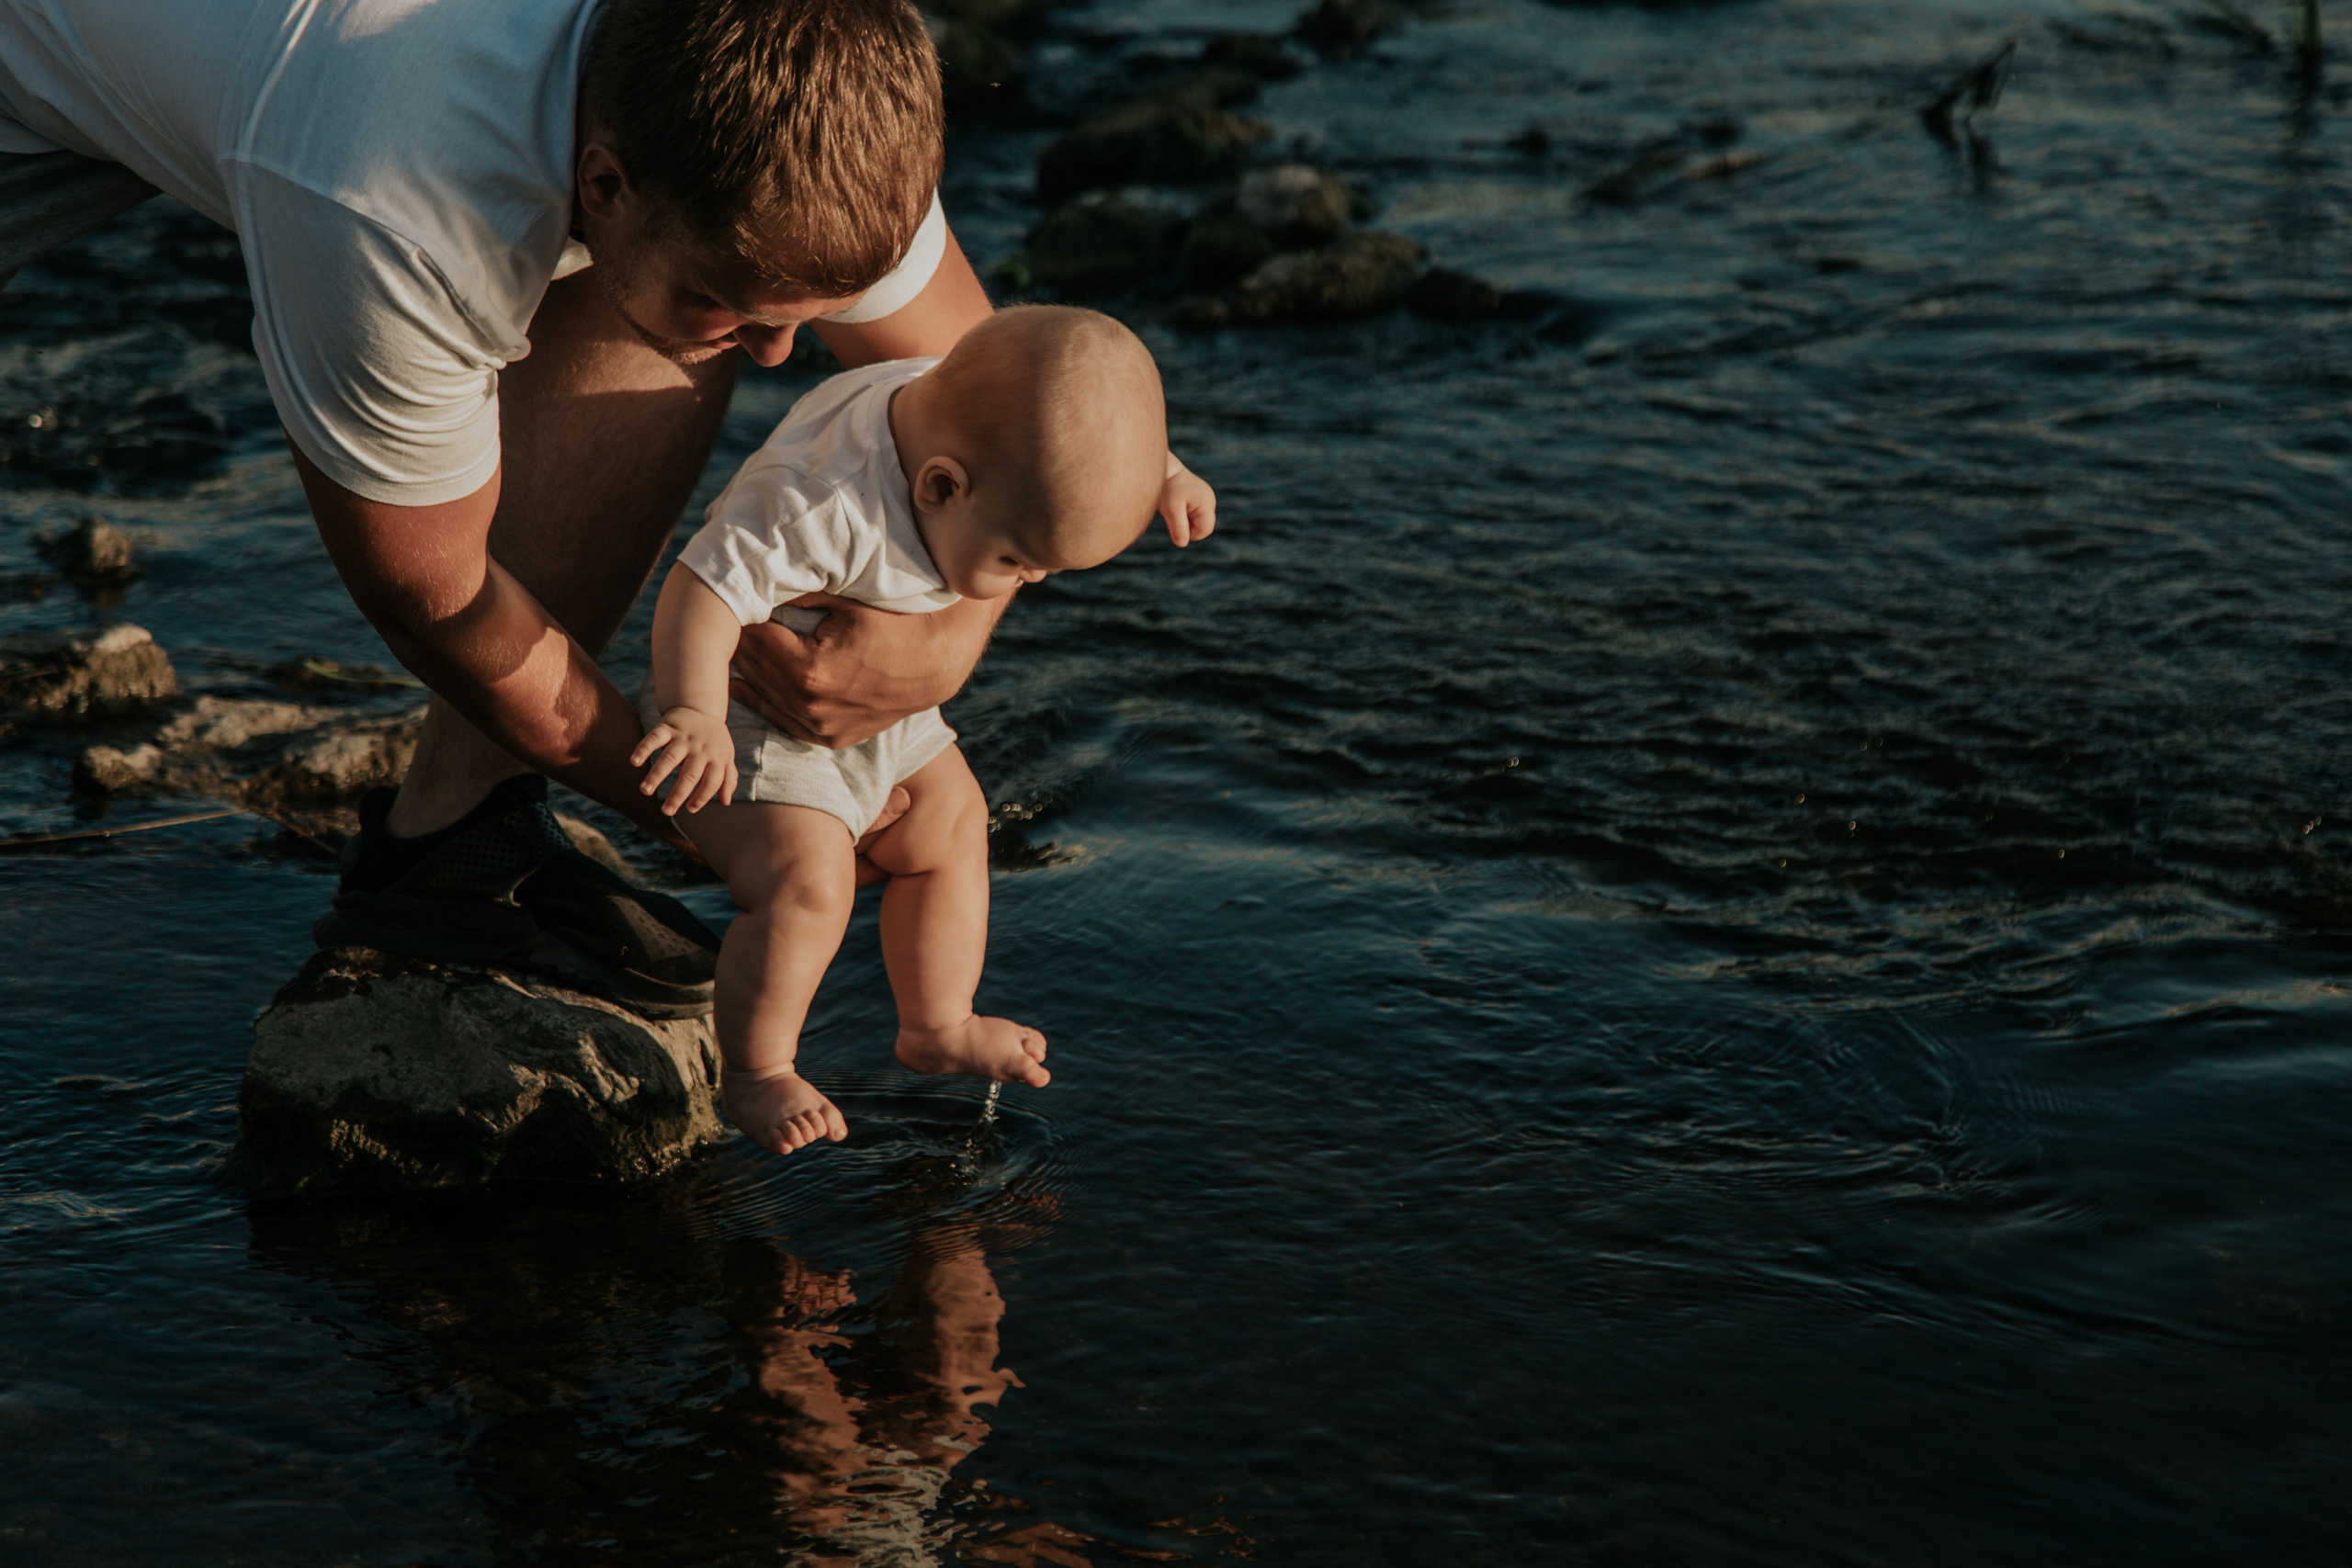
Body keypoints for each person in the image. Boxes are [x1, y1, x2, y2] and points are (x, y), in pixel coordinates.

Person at [0, 0, 1217, 1013]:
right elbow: (440, 594)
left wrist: (941, 637)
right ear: (603, 177)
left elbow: (994, 423)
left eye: (807, 306)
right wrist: (722, 807)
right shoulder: (388, 205)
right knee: (675, 313)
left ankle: (449, 846)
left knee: (682, 309)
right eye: (751, 307)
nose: (792, 353)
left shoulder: (794, 84)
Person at [632, 305, 1195, 1151]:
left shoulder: (953, 411)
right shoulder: (819, 501)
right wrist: (691, 712)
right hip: (747, 708)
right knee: (810, 880)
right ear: (939, 487)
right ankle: (756, 1070)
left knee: (956, 821)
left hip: (880, 714)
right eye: (1015, 561)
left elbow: (1083, 415)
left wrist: (1165, 474)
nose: (1027, 579)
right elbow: (702, 588)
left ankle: (935, 1023)